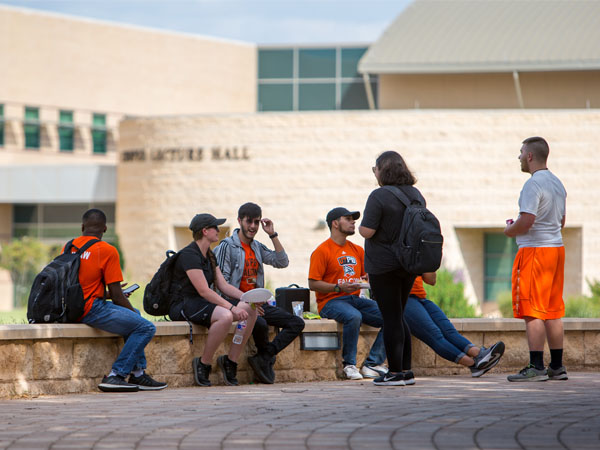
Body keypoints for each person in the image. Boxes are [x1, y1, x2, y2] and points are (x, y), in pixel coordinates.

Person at [72, 208, 167, 392]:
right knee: (145, 326)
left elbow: (83, 287)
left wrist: (115, 299)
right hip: (91, 309)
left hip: (73, 308)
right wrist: (125, 304)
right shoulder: (107, 250)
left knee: (136, 316)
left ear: (82, 227)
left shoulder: (70, 246)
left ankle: (138, 375)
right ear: (105, 229)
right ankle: (117, 375)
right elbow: (117, 296)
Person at [214, 202, 304, 384]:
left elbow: (282, 262)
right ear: (239, 221)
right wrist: (248, 304)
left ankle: (264, 355)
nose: (253, 227)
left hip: (257, 304)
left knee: (296, 323)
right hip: (235, 304)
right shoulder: (227, 247)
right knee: (260, 324)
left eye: (256, 222)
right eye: (249, 222)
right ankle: (257, 362)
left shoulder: (257, 247)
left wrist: (272, 234)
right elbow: (220, 285)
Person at [169, 213, 259, 387]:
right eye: (215, 227)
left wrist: (248, 298)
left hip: (200, 303)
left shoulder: (209, 255)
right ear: (205, 231)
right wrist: (232, 309)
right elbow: (204, 291)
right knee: (225, 316)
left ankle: (230, 361)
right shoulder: (189, 255)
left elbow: (223, 286)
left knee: (251, 309)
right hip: (183, 304)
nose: (218, 230)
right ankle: (204, 363)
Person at [504, 136, 568, 382]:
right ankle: (558, 366)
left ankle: (536, 367)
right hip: (556, 250)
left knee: (532, 311)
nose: (519, 157)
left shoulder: (533, 185)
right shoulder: (557, 183)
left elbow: (527, 220)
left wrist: (509, 230)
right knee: (552, 311)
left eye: (521, 152)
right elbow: (561, 222)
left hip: (535, 252)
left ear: (530, 156)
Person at [358, 150, 422, 386]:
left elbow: (367, 230)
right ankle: (405, 370)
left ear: (382, 169)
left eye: (375, 168)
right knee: (399, 315)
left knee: (391, 317)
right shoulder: (415, 194)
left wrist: (361, 229)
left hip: (383, 266)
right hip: (408, 265)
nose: (374, 173)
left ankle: (395, 372)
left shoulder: (379, 195)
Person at [308, 207, 387, 380]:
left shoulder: (358, 250)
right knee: (354, 316)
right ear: (335, 223)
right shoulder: (322, 251)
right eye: (348, 218)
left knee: (392, 317)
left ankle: (372, 364)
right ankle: (349, 365)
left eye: (353, 219)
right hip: (330, 302)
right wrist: (338, 288)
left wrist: (367, 279)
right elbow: (312, 283)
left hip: (355, 298)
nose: (353, 222)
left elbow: (366, 277)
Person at [406, 273, 505, 377]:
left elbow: (431, 281)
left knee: (449, 331)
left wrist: (430, 260)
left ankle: (479, 354)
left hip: (420, 297)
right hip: (403, 298)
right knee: (435, 335)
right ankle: (474, 365)